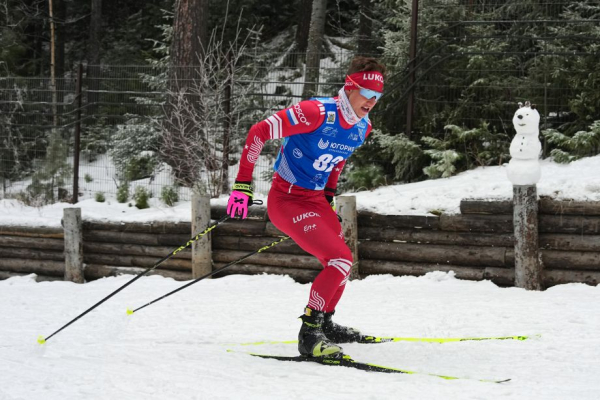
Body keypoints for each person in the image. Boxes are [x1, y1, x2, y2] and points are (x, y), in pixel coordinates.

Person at [227, 56, 386, 358]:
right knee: (340, 259)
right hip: (286, 199)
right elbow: (259, 131)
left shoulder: (362, 128)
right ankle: (309, 333)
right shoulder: (316, 112)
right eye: (367, 93)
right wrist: (242, 185)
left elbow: (338, 162)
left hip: (314, 200)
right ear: (350, 87)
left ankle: (325, 322)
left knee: (341, 263)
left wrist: (327, 195)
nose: (372, 101)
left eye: (378, 96)